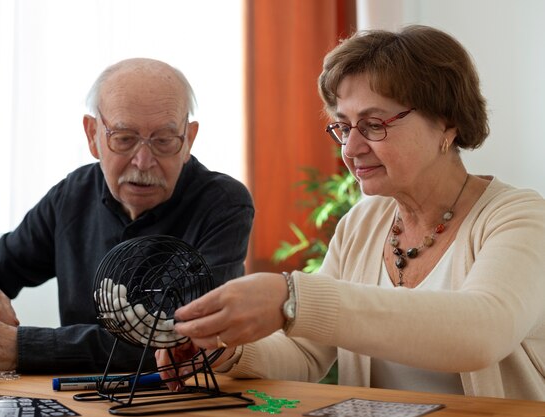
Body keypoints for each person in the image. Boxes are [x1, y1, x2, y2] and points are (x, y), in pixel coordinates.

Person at [159, 25, 545, 400]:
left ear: (447, 122)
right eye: (344, 127)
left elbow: (480, 333)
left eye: (373, 125)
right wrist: (225, 352)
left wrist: (292, 298)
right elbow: (307, 353)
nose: (350, 148)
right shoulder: (363, 222)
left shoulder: (520, 218)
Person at [0, 58, 255, 373]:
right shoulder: (72, 196)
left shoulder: (223, 205)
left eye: (164, 141)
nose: (143, 162)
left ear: (188, 140)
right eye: (124, 138)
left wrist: (22, 347)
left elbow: (176, 340)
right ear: (92, 135)